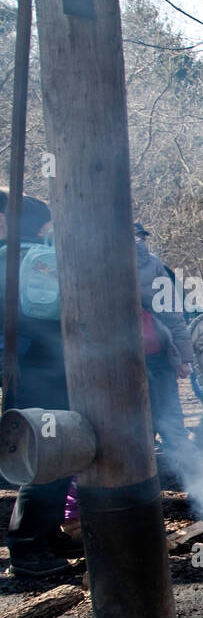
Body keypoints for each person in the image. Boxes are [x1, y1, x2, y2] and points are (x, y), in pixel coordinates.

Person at [3, 194, 83, 576]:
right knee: (47, 454)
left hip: (30, 368)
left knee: (53, 451)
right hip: (46, 370)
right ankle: (28, 548)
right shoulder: (37, 260)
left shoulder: (15, 257)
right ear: (41, 225)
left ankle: (47, 533)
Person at [136, 223, 199, 478]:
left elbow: (173, 313)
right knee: (137, 425)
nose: (139, 241)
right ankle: (141, 482)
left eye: (140, 237)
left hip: (157, 354)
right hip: (117, 361)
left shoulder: (153, 265)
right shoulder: (96, 262)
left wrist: (184, 356)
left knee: (170, 418)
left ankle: (193, 484)